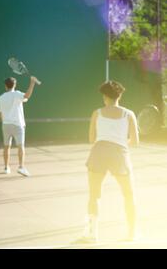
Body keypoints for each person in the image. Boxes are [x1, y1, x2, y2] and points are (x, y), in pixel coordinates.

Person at [78, 80, 139, 243]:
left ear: (105, 96)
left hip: (99, 152)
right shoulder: (129, 114)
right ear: (120, 95)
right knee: (129, 195)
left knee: (94, 195)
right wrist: (120, 142)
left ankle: (92, 235)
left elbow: (92, 139)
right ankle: (131, 234)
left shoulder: (96, 113)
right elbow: (135, 141)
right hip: (120, 154)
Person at [0, 76, 39, 176]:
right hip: (18, 125)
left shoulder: (2, 97)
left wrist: (4, 121)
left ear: (5, 86)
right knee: (21, 146)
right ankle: (21, 167)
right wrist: (32, 83)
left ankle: (6, 168)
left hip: (6, 125)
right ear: (14, 85)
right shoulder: (17, 94)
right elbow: (27, 96)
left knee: (6, 146)